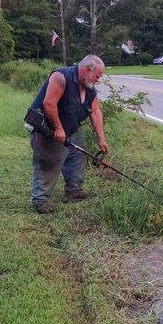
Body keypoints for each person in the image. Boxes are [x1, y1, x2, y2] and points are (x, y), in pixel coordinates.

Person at [29, 54, 109, 214]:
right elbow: (49, 104)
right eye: (97, 75)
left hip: (71, 129)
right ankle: (41, 200)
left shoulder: (89, 87)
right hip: (49, 130)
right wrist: (58, 129)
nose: (98, 79)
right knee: (50, 162)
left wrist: (102, 139)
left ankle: (74, 191)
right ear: (87, 70)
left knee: (77, 156)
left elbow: (95, 111)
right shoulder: (61, 77)